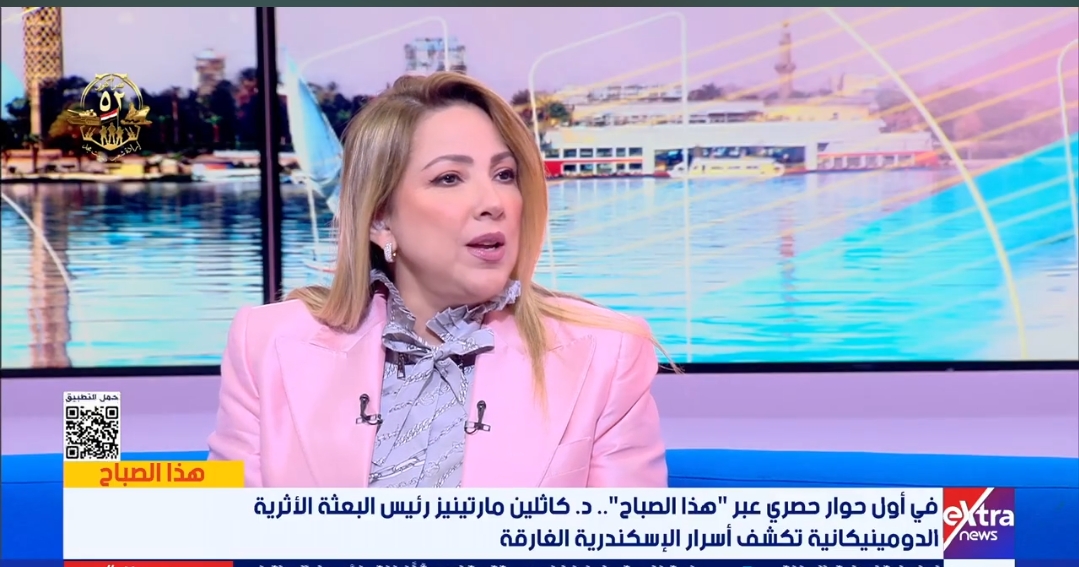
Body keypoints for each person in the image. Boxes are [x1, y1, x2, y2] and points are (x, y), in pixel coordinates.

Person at [207, 72, 668, 488]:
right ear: (380, 218)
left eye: (504, 174)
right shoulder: (267, 344)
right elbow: (226, 531)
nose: (494, 202)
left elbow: (624, 541)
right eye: (449, 178)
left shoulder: (607, 354)